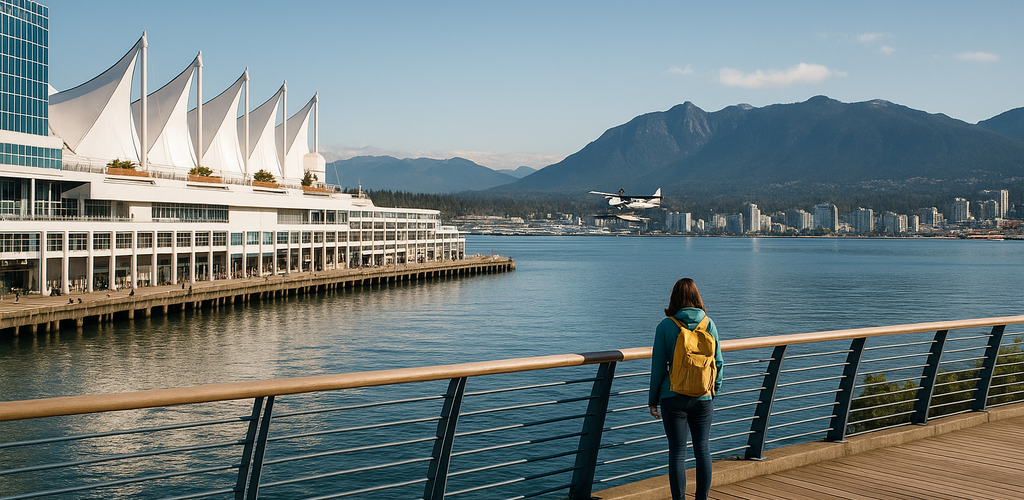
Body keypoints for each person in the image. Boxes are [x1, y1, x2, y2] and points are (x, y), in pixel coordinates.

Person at [648, 278, 723, 500]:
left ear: (674, 298)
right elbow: (718, 362)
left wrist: (653, 399)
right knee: (702, 449)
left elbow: (658, 367)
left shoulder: (665, 326)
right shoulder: (709, 324)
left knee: (678, 453)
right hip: (703, 396)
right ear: (696, 297)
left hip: (673, 396)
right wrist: (713, 390)